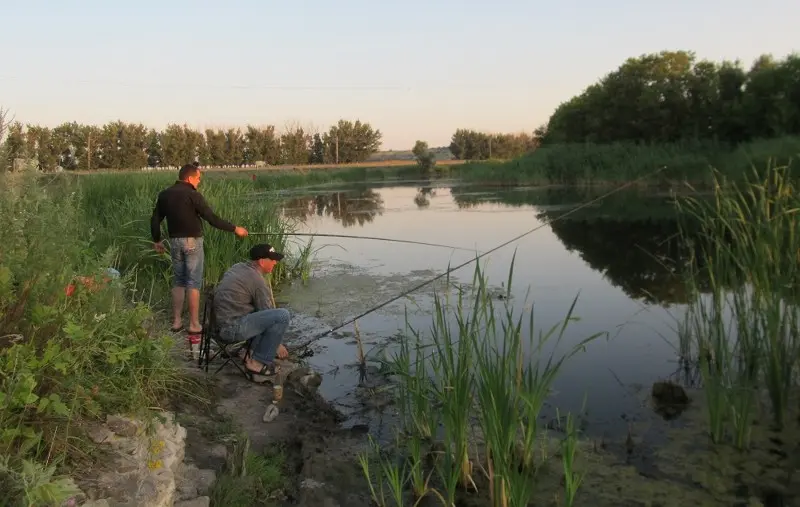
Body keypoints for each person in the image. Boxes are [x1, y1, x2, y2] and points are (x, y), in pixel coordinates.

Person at [151, 163, 249, 334]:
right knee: (193, 283)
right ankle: (194, 324)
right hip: (192, 242)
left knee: (179, 281)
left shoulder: (164, 194)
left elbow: (155, 218)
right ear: (189, 178)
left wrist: (157, 240)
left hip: (174, 242)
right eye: (198, 179)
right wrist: (235, 229)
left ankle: (176, 322)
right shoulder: (192, 195)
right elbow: (212, 218)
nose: (198, 182)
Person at [213, 243, 290, 377]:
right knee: (282, 315)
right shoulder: (257, 280)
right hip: (231, 330)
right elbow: (268, 314)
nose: (275, 262)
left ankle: (246, 351)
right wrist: (277, 344)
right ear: (261, 261)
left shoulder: (238, 267)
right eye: (272, 259)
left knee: (256, 310)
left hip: (217, 327)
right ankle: (257, 363)